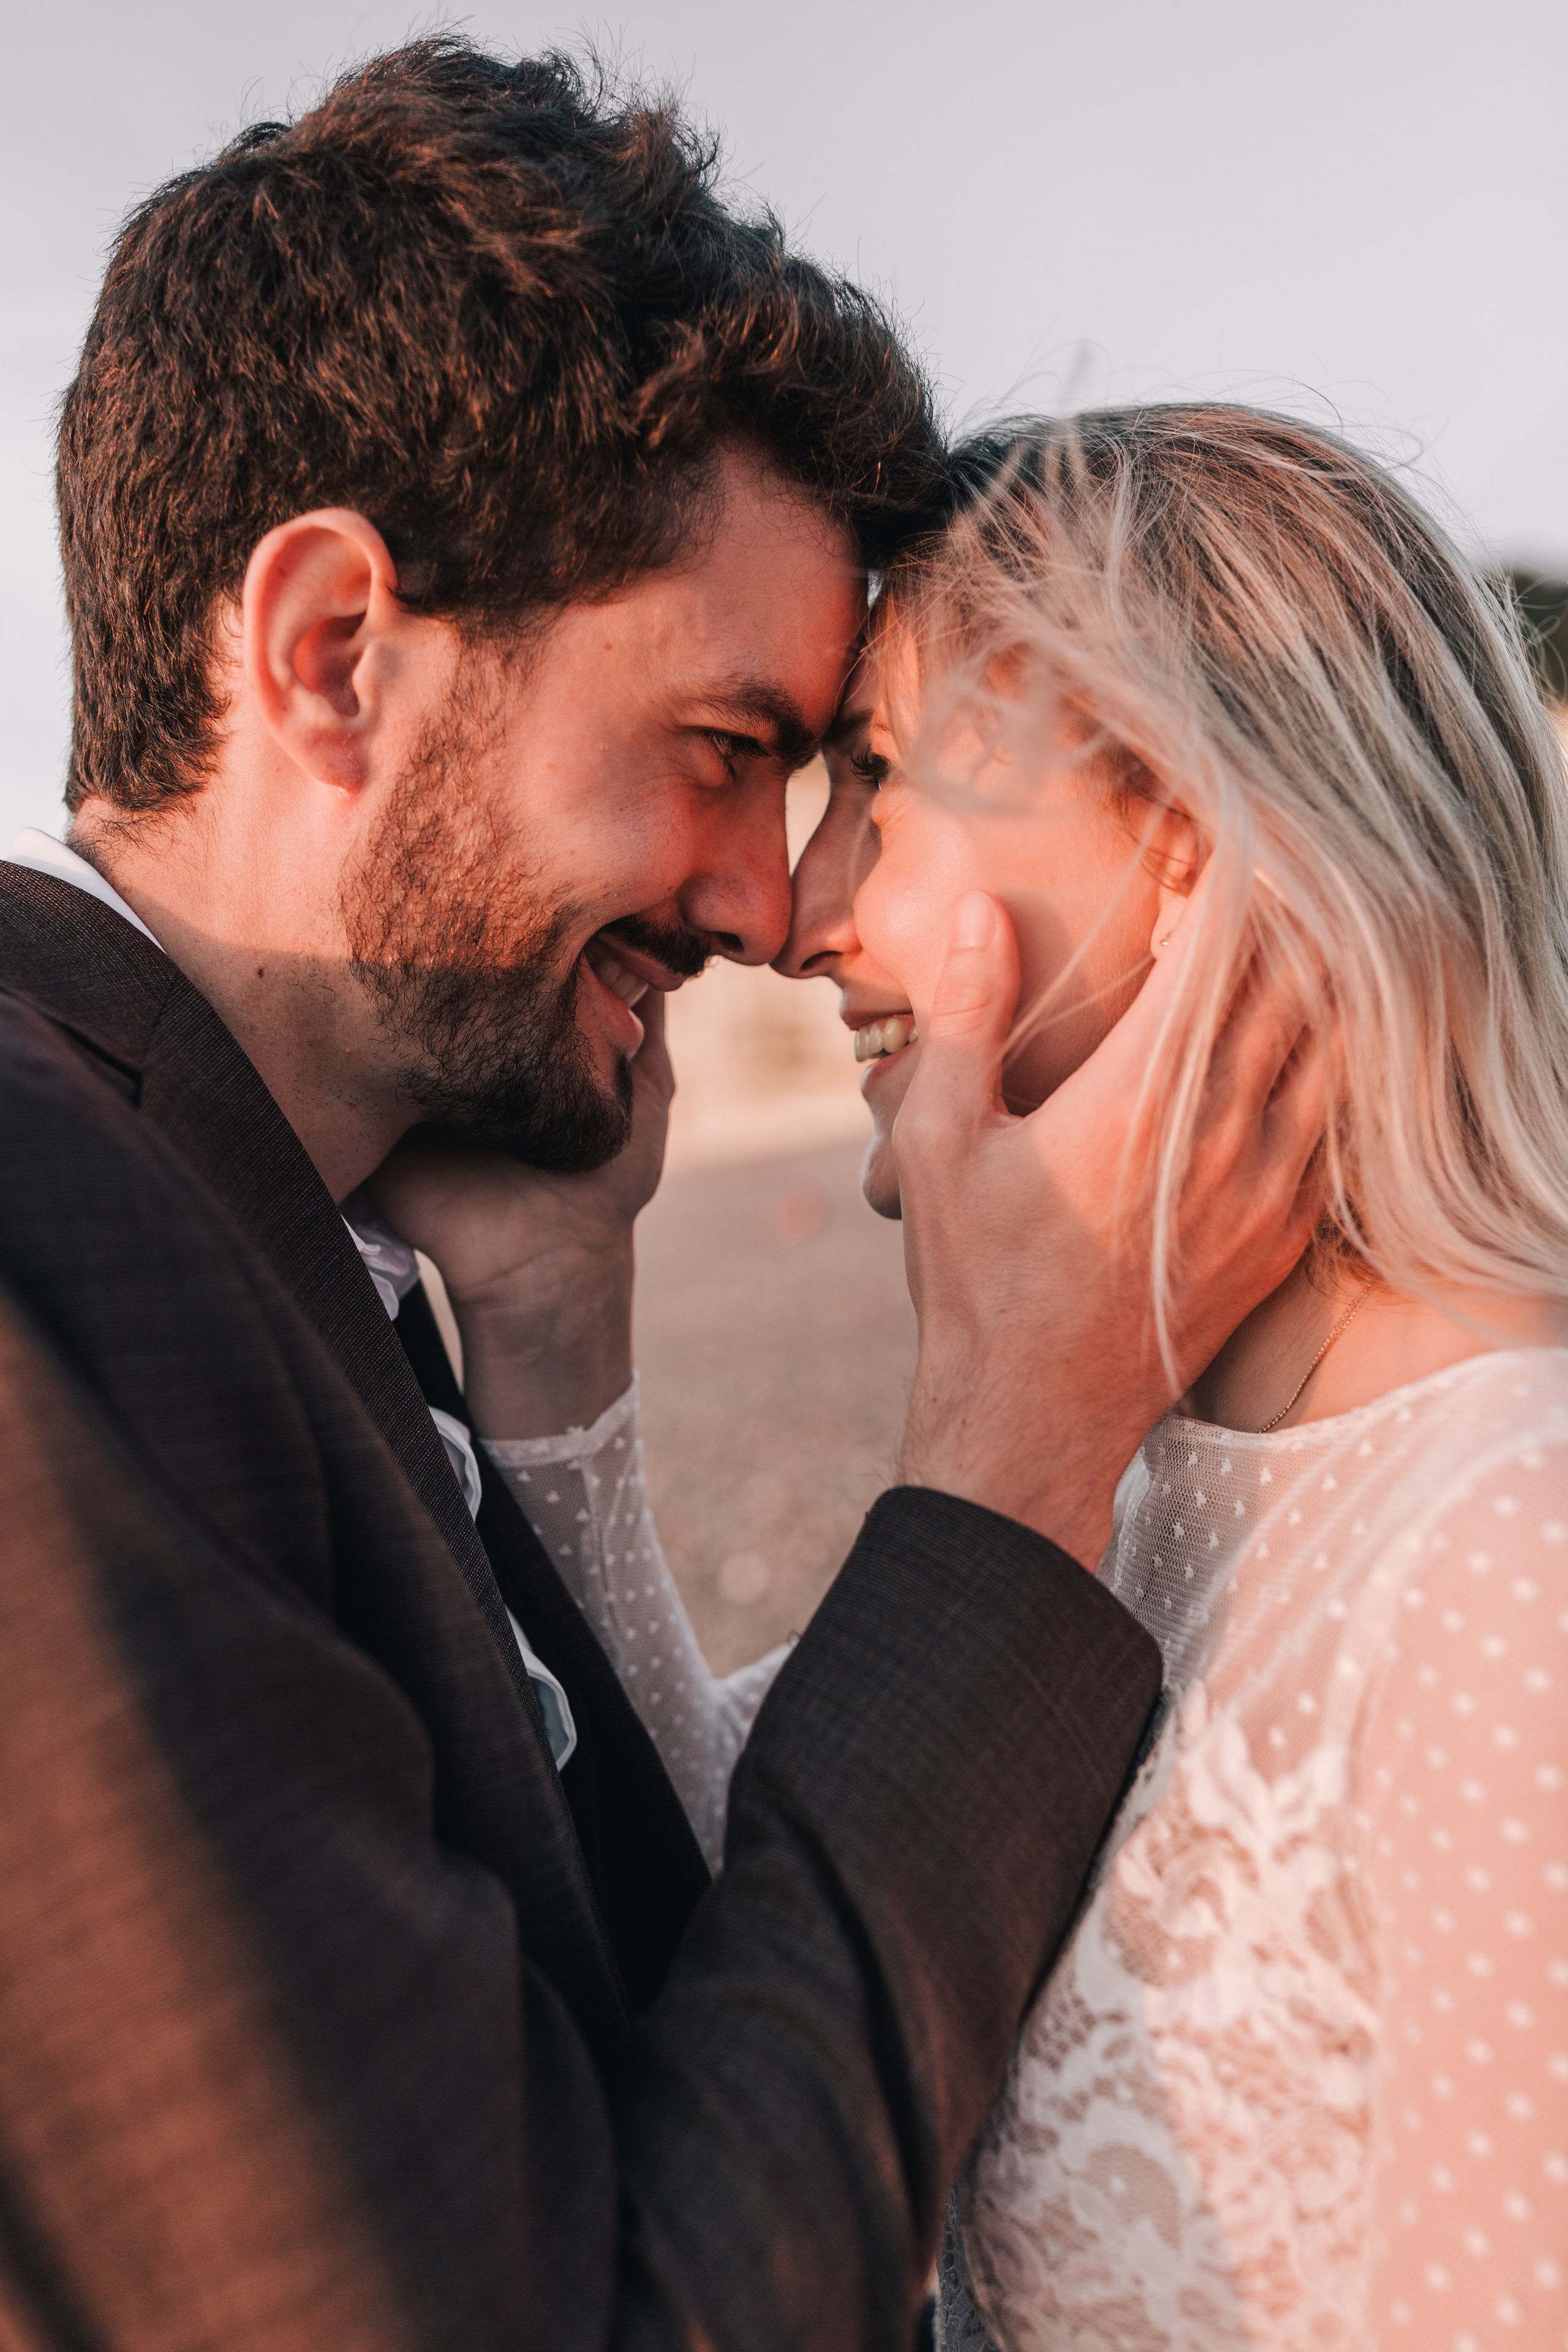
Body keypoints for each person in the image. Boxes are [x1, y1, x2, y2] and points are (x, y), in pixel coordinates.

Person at [0, 44, 1321, 2352]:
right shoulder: (43, 1238)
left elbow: (596, 2064)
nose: (760, 902)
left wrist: (545, 1383)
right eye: (723, 754)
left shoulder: (249, 1216)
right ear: (334, 655)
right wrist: (1014, 1448)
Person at [777, 405, 1568, 2349]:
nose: (804, 916)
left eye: (880, 777)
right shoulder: (1135, 1467)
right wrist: (548, 1342)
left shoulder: (1514, 1557)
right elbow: (749, 1875)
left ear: (1195, 830)